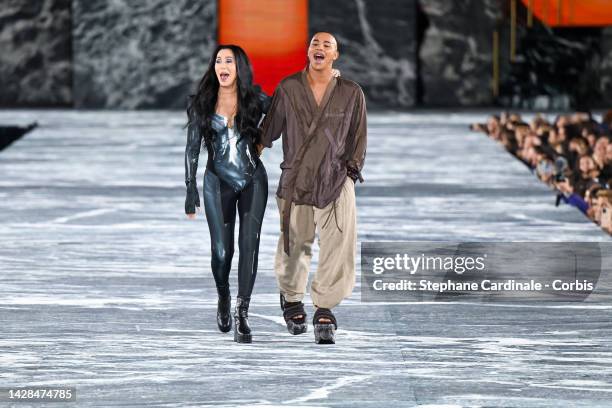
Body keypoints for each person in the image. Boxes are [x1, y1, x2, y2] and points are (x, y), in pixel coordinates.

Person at [258, 32, 367, 344]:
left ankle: (325, 307)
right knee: (294, 244)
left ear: (336, 55)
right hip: (296, 180)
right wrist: (244, 159)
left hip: (336, 179)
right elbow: (268, 132)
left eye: (327, 45)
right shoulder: (289, 87)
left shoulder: (351, 92)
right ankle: (292, 298)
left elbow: (359, 137)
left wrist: (349, 173)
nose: (319, 48)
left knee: (339, 243)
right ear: (308, 52)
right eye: (315, 44)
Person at [184, 45, 270, 343]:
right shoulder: (202, 103)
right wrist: (189, 188)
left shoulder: (257, 100)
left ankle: (242, 313)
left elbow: (288, 113)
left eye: (229, 61)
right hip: (216, 181)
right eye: (218, 60)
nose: (222, 65)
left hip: (252, 181)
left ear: (239, 68)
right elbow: (192, 148)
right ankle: (223, 295)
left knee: (250, 247)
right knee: (222, 253)